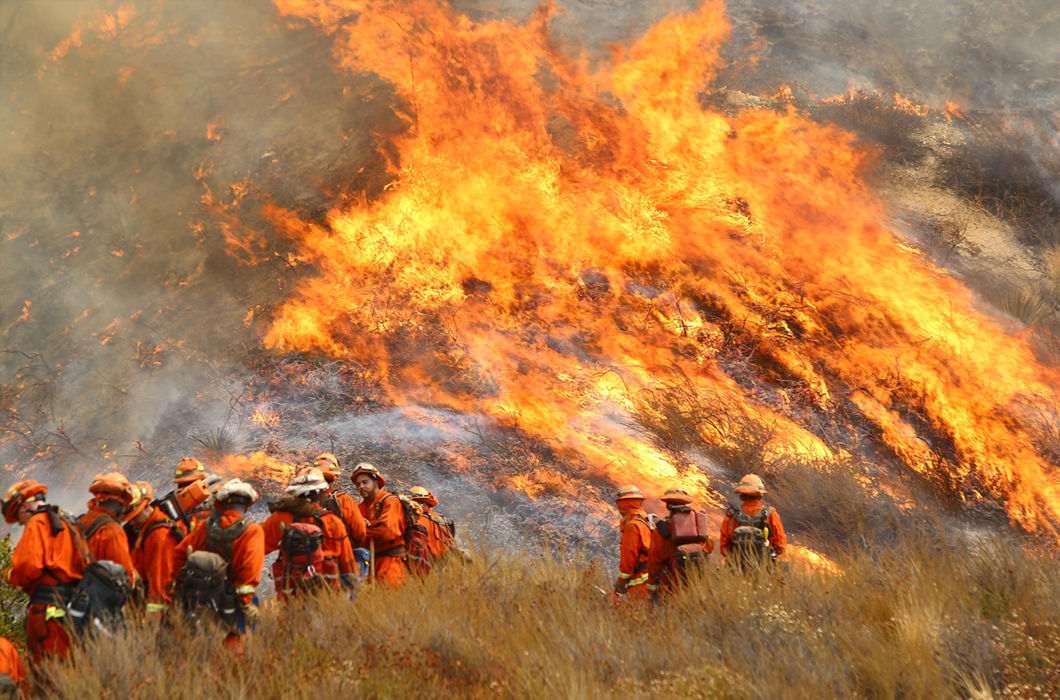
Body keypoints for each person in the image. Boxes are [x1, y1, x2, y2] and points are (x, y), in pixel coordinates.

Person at [172, 478, 264, 654]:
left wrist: (178, 586)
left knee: (193, 643)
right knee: (234, 643)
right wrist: (245, 603)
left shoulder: (204, 526)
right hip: (233, 599)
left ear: (221, 504)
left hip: (198, 595)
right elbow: (250, 572)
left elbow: (179, 554)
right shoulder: (252, 531)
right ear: (247, 506)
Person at [0, 480, 88, 663]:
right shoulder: (67, 520)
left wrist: (8, 574)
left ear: (24, 506)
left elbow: (27, 568)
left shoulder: (37, 523)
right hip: (75, 609)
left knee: (49, 672)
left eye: (18, 517)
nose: (20, 523)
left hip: (48, 613)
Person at [262, 468, 357, 597]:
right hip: (326, 595)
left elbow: (256, 545)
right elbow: (348, 564)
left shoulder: (279, 518)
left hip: (291, 596)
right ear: (323, 493)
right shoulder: (332, 521)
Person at [125, 481, 181, 618]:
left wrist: (152, 624)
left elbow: (160, 586)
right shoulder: (145, 529)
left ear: (146, 507)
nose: (131, 522)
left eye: (134, 516)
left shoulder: (159, 537)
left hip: (160, 616)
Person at [646, 488, 713, 600]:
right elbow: (709, 547)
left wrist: (652, 590)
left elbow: (654, 563)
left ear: (668, 505)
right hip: (700, 586)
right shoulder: (698, 523)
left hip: (674, 586)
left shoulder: (663, 529)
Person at [351, 463, 408, 588]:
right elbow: (354, 533)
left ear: (376, 482)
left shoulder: (390, 501)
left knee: (391, 599)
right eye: (358, 484)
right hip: (369, 563)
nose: (361, 486)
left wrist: (365, 527)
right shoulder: (359, 508)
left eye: (365, 482)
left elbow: (387, 531)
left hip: (391, 562)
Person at [77, 471, 138, 583]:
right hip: (98, 595)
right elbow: (124, 575)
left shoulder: (82, 520)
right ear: (121, 501)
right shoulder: (113, 531)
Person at [719, 474, 786, 571]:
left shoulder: (731, 515)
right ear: (761, 495)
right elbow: (780, 546)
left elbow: (724, 549)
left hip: (737, 569)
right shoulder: (770, 514)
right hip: (764, 569)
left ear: (741, 496)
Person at [312, 453, 367, 548]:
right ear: (335, 476)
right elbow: (360, 534)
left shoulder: (299, 500)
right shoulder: (343, 500)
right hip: (337, 557)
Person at [612, 484, 652, 604]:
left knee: (640, 617)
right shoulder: (647, 522)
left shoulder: (632, 526)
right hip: (654, 578)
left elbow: (628, 559)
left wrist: (621, 582)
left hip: (641, 582)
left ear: (623, 504)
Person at [406, 486, 455, 574]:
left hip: (424, 569)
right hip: (443, 570)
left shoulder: (418, 521)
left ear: (420, 503)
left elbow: (415, 551)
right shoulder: (443, 521)